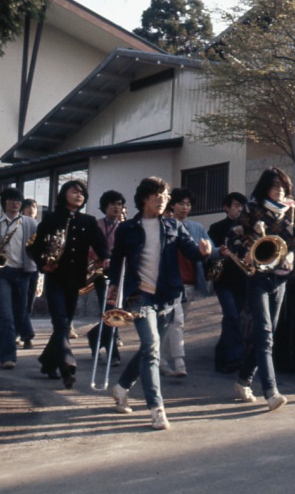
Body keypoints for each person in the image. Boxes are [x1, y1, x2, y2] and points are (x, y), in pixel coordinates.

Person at [106, 177, 212, 430]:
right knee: (152, 346)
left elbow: (189, 250)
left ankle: (121, 388)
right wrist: (112, 289)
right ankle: (156, 409)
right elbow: (117, 260)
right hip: (139, 296)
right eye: (158, 196)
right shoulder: (128, 228)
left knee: (148, 350)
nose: (163, 200)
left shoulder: (173, 225)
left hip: (168, 295)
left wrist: (204, 252)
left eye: (165, 196)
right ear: (145, 199)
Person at [229, 168, 295, 411]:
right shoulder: (252, 208)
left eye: (282, 185)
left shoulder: (291, 210)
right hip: (258, 277)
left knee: (268, 332)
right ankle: (271, 392)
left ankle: (243, 381)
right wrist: (245, 253)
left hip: (282, 276)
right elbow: (233, 236)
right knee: (264, 333)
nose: (279, 189)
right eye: (274, 185)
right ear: (265, 187)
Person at [29, 180, 108, 388]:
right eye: (74, 191)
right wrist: (42, 264)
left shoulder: (88, 221)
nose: (79, 195)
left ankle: (47, 362)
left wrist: (106, 258)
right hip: (55, 279)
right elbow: (34, 247)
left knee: (63, 325)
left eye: (82, 193)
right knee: (61, 323)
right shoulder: (51, 219)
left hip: (76, 280)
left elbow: (100, 244)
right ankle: (67, 366)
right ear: (64, 194)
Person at [0, 188, 38, 368]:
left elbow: (39, 245)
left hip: (23, 272)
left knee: (21, 316)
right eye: (12, 200)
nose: (15, 204)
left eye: (18, 201)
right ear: (4, 202)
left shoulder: (30, 224)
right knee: (5, 314)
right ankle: (8, 357)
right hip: (2, 273)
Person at [159, 187, 212, 378]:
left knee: (173, 324)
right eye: (181, 203)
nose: (185, 207)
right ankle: (180, 362)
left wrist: (215, 251)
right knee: (177, 322)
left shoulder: (197, 228)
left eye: (188, 204)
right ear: (171, 204)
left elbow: (210, 250)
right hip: (172, 283)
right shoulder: (164, 226)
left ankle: (161, 360)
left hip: (190, 281)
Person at [207, 192, 248, 373]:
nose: (240, 210)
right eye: (236, 206)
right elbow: (209, 252)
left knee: (235, 318)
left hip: (243, 279)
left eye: (242, 206)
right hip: (223, 280)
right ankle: (234, 358)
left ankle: (221, 355)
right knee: (232, 316)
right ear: (226, 208)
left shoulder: (248, 228)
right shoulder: (216, 228)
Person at [87, 190, 126, 366]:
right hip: (101, 273)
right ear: (105, 207)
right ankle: (112, 351)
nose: (117, 207)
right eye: (113, 204)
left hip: (122, 273)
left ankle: (94, 336)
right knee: (110, 309)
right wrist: (101, 258)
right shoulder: (97, 225)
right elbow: (89, 249)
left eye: (119, 204)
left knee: (118, 310)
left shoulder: (126, 226)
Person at [18, 198, 40, 349]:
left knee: (28, 305)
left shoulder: (39, 226)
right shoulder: (19, 224)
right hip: (20, 267)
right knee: (22, 303)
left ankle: (17, 333)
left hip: (35, 268)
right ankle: (27, 335)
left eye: (34, 207)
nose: (31, 209)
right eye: (28, 207)